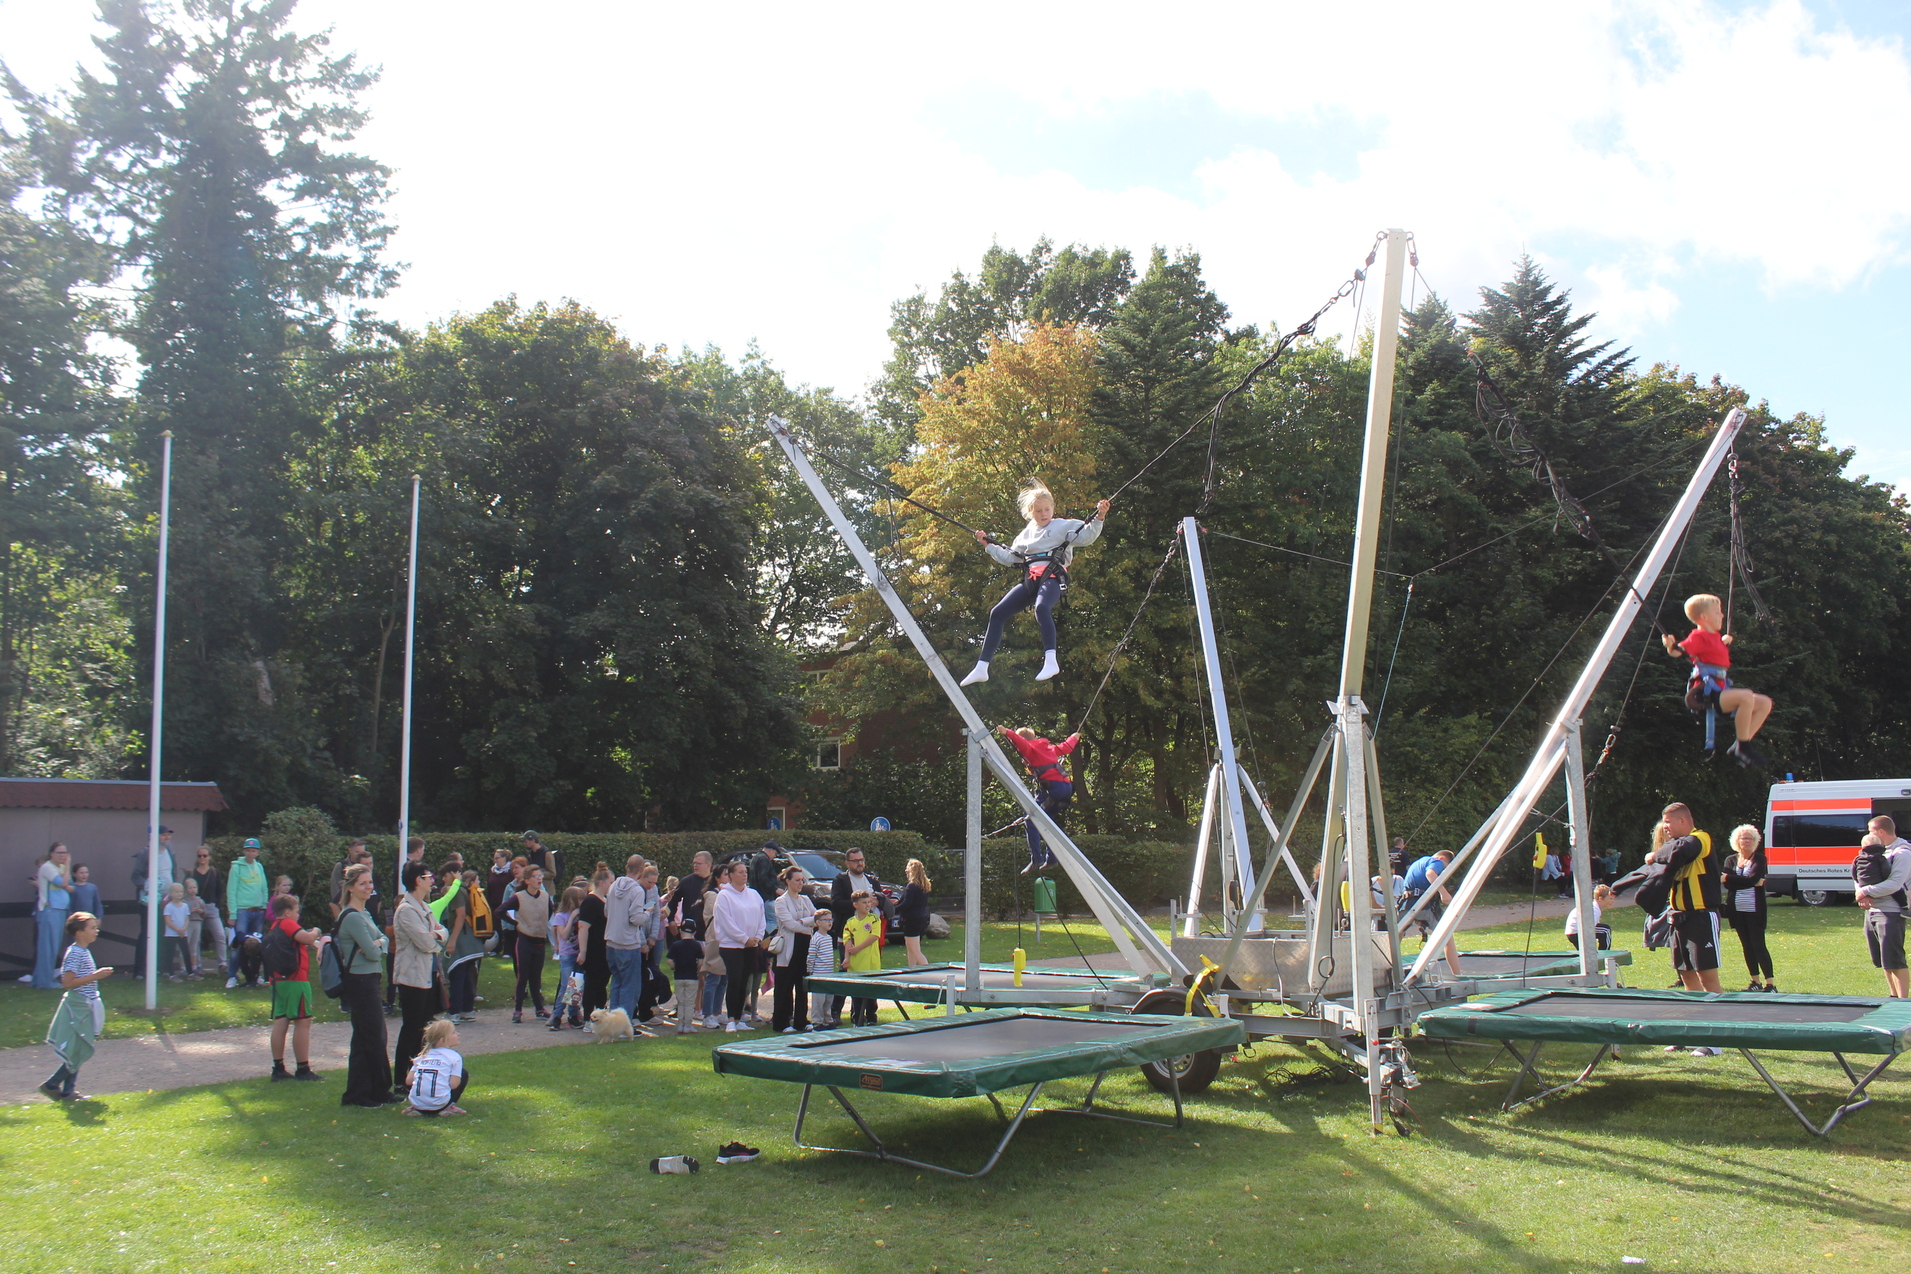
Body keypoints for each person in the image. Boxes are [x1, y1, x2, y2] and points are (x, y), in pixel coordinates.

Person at [959, 484, 1112, 685]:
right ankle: (981, 667)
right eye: (1038, 511)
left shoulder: (1063, 526)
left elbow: (1087, 536)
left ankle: (1050, 660)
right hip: (1031, 581)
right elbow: (1010, 557)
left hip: (1053, 578)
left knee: (1041, 607)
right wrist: (989, 545)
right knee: (997, 613)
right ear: (1031, 513)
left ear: (1052, 507)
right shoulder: (1025, 536)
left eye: (1047, 509)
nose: (1044, 514)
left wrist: (1099, 516)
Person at [1661, 592, 1775, 768]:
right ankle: (1744, 747)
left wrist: (1723, 641)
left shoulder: (1714, 637)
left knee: (1764, 703)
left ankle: (1739, 744)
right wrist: (1670, 647)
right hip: (1706, 695)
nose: (1722, 615)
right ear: (1704, 617)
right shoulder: (1697, 637)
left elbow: (1713, 650)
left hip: (1721, 692)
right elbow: (1679, 651)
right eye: (1717, 612)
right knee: (1745, 696)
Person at [334, 863, 398, 1107]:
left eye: (370, 883)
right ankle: (367, 1092)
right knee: (372, 1036)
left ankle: (369, 1091)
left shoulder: (365, 914)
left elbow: (380, 940)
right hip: (359, 981)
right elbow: (373, 951)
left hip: (369, 978)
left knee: (367, 1037)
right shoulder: (351, 916)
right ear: (351, 888)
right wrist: (378, 944)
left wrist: (378, 942)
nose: (368, 887)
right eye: (363, 883)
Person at [1657, 802, 1724, 1012]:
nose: (1665, 826)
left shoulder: (1700, 838)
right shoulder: (1674, 847)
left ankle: (1719, 1031)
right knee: (1686, 974)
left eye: (1668, 822)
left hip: (1702, 917)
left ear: (1682, 821)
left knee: (1707, 977)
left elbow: (1686, 847)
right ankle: (1695, 1028)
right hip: (1679, 919)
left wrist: (1653, 855)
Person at [42, 911, 110, 1101]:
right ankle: (54, 1085)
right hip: (80, 1006)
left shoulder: (83, 951)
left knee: (79, 1047)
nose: (96, 931)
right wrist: (97, 975)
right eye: (92, 928)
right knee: (79, 1047)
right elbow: (68, 982)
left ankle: (66, 1090)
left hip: (87, 1004)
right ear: (79, 932)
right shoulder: (75, 953)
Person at [392, 862, 446, 1093]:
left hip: (427, 975)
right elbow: (425, 943)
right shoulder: (406, 910)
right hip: (411, 977)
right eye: (428, 876)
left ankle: (419, 1073)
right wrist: (436, 936)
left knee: (424, 1027)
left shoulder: (425, 907)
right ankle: (400, 1078)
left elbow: (440, 932)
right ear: (417, 880)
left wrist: (436, 935)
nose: (432, 880)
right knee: (412, 1028)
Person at [998, 724, 1078, 873]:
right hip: (1064, 788)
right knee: (1049, 822)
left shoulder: (1029, 748)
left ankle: (1036, 859)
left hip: (1054, 789)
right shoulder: (1048, 748)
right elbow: (1066, 747)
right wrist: (1075, 737)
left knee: (1031, 820)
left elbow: (1020, 742)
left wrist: (1006, 732)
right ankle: (1052, 859)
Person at [265, 893, 324, 1081]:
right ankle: (303, 1067)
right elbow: (306, 938)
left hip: (278, 980)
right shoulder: (287, 923)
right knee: (302, 1021)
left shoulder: (274, 926)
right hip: (295, 979)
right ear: (288, 911)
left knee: (281, 1020)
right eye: (296, 911)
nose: (298, 916)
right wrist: (316, 931)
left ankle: (278, 1067)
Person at [1853, 815, 1911, 999]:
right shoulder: (1875, 851)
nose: (1869, 835)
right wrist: (1862, 892)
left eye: (1871, 831)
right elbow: (1859, 875)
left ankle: (1903, 1001)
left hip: (1891, 911)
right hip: (1872, 910)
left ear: (1881, 832)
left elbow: (1895, 884)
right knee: (1883, 960)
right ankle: (1892, 996)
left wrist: (1866, 892)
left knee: (1894, 958)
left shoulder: (1902, 853)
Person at [1721, 823, 1775, 992]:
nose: (1747, 841)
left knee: (1758, 945)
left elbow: (1752, 878)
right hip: (1736, 910)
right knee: (1746, 946)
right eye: (1744, 838)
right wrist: (1746, 882)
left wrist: (1730, 878)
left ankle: (1770, 984)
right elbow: (1732, 885)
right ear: (1737, 840)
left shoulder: (1759, 859)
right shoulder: (1731, 860)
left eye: (1751, 838)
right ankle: (1755, 982)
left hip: (1755, 910)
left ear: (1756, 841)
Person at [712, 859, 763, 1032]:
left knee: (744, 982)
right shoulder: (724, 896)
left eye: (745, 872)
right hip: (731, 946)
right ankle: (731, 1019)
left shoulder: (754, 894)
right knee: (734, 980)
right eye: (740, 872)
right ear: (731, 875)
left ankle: (740, 1017)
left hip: (751, 945)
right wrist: (743, 938)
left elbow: (761, 917)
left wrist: (757, 936)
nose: (744, 875)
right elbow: (726, 922)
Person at [605, 854, 656, 1021]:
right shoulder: (636, 890)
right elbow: (635, 919)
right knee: (630, 988)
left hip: (611, 941)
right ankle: (623, 1024)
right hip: (628, 943)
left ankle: (613, 1022)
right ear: (642, 870)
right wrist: (647, 913)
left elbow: (606, 911)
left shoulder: (613, 886)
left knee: (616, 984)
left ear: (627, 867)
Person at [1400, 850, 1465, 975]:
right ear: (1442, 858)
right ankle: (1457, 975)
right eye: (1444, 868)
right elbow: (1430, 874)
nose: (1442, 870)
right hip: (1422, 905)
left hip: (1406, 904)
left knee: (1397, 935)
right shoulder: (1435, 861)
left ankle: (1389, 967)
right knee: (1447, 937)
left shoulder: (1419, 862)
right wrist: (1444, 893)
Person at [771, 865, 816, 1033]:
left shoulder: (805, 899)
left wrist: (804, 922)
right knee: (784, 986)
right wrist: (806, 923)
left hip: (805, 946)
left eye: (801, 880)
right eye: (796, 880)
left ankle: (801, 1020)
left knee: (802, 985)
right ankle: (781, 1022)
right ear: (787, 881)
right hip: (788, 948)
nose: (800, 883)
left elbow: (817, 917)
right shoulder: (781, 901)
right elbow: (789, 924)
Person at [503, 865, 551, 1023]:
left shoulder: (545, 896)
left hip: (539, 941)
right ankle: (518, 1010)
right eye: (536, 876)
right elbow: (500, 911)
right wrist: (514, 922)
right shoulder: (519, 897)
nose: (539, 879)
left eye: (540, 876)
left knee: (536, 977)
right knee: (523, 976)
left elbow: (550, 910)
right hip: (525, 940)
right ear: (527, 880)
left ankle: (539, 1008)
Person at [132, 826, 179, 979]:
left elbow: (173, 873)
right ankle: (140, 971)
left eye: (168, 835)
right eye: (163, 835)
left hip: (167, 901)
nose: (167, 838)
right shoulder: (146, 853)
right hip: (149, 902)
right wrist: (148, 886)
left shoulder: (170, 852)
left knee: (164, 935)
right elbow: (135, 876)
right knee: (146, 934)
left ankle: (162, 969)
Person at [442, 868, 485, 1024]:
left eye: (446, 874)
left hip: (462, 939)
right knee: (466, 975)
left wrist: (452, 941)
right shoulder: (466, 892)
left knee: (457, 974)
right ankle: (467, 1009)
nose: (443, 878)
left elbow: (460, 915)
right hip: (471, 939)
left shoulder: (458, 892)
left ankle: (454, 1012)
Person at [226, 837, 269, 987]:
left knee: (256, 945)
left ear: (257, 852)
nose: (251, 853)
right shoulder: (236, 867)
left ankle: (255, 975)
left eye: (254, 851)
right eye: (248, 850)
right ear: (244, 851)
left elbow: (264, 887)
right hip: (243, 911)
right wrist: (233, 914)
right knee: (238, 944)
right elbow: (231, 891)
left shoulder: (259, 867)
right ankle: (232, 975)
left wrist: (264, 906)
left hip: (257, 911)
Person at [404, 1018, 469, 1117]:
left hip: (417, 1104)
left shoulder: (422, 1057)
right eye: (454, 1033)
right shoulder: (454, 1057)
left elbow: (408, 1081)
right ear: (443, 1040)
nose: (458, 1034)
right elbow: (454, 1085)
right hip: (439, 1104)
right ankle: (448, 1106)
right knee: (463, 1073)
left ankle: (419, 1106)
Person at [573, 865, 614, 1018]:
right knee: (591, 983)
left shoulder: (606, 900)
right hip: (593, 950)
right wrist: (583, 951)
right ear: (602, 882)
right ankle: (589, 1016)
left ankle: (600, 1012)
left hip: (605, 950)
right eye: (611, 882)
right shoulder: (591, 901)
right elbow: (583, 927)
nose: (612, 885)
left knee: (602, 983)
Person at [32, 843, 72, 990]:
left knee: (53, 948)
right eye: (59, 852)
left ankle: (39, 980)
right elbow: (62, 883)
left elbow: (70, 885)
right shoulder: (48, 867)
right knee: (47, 948)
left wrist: (66, 877)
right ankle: (45, 982)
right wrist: (68, 866)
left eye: (65, 852)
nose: (63, 855)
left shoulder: (59, 868)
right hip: (49, 911)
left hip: (60, 910)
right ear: (51, 854)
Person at [841, 891, 884, 1026]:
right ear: (855, 905)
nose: (867, 905)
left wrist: (858, 948)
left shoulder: (874, 919)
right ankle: (857, 1019)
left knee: (871, 993)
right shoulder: (850, 922)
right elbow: (847, 940)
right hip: (856, 964)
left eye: (869, 902)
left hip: (871, 963)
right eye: (864, 903)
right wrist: (847, 958)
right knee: (857, 994)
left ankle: (871, 1018)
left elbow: (874, 937)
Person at [547, 885, 586, 1031]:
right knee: (565, 986)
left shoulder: (581, 915)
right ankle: (556, 1016)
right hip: (567, 955)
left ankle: (573, 1015)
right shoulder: (560, 916)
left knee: (576, 986)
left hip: (578, 954)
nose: (581, 902)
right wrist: (572, 918)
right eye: (579, 899)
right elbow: (564, 934)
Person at [186, 848, 227, 977]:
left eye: (205, 856)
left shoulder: (215, 872)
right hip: (195, 908)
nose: (202, 858)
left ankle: (222, 964)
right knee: (195, 939)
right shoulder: (192, 873)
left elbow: (220, 891)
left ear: (209, 857)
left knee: (220, 935)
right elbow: (185, 891)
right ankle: (196, 965)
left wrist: (218, 906)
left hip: (211, 907)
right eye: (200, 856)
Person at [667, 919, 704, 1034]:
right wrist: (697, 968)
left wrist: (674, 967)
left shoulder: (676, 945)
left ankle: (680, 1025)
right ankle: (688, 1025)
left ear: (680, 931)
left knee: (681, 1002)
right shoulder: (696, 945)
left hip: (679, 977)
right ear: (694, 932)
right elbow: (701, 961)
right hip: (692, 977)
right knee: (689, 1003)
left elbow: (669, 960)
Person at [667, 850, 715, 940]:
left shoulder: (715, 882)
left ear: (708, 865)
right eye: (694, 863)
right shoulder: (686, 881)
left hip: (710, 928)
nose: (695, 866)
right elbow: (673, 901)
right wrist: (671, 920)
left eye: (698, 864)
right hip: (689, 928)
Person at [805, 909, 838, 1030]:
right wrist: (810, 971)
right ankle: (817, 1021)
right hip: (819, 974)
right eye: (826, 920)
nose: (830, 922)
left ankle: (827, 1020)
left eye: (831, 920)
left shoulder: (829, 938)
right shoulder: (816, 938)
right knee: (818, 1000)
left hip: (829, 974)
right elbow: (811, 955)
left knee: (828, 999)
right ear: (818, 923)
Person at [898, 859, 932, 966]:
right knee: (911, 947)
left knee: (915, 950)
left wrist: (893, 909)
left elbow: (906, 904)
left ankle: (928, 970)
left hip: (911, 920)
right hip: (921, 918)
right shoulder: (924, 885)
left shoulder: (911, 886)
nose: (906, 871)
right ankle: (912, 969)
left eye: (908, 869)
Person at [1565, 883, 1615, 952]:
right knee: (1605, 930)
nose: (1612, 901)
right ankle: (1604, 955)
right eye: (1610, 898)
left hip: (1572, 932)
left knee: (1586, 953)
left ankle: (1593, 956)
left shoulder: (1593, 907)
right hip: (1577, 932)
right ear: (1600, 899)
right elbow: (1590, 929)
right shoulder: (1594, 909)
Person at [162, 883, 193, 981]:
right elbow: (168, 921)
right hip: (171, 934)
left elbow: (187, 918)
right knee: (170, 954)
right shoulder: (169, 906)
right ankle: (170, 973)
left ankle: (190, 972)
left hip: (183, 934)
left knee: (186, 953)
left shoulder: (185, 906)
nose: (179, 894)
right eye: (176, 892)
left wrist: (183, 929)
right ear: (171, 893)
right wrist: (177, 930)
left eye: (181, 892)